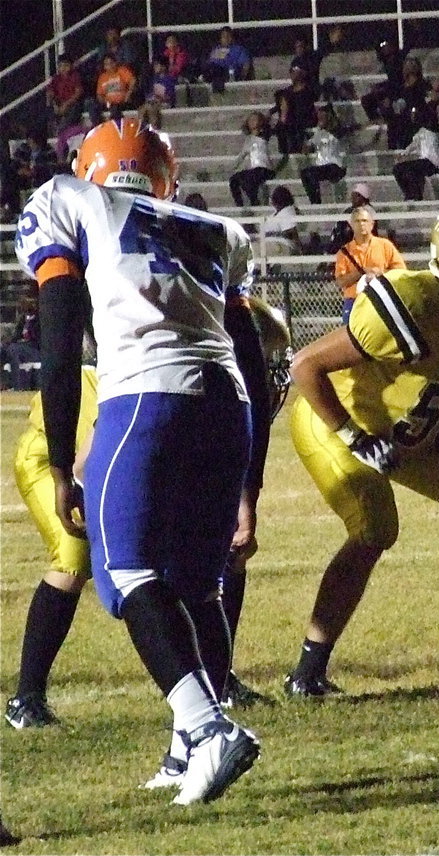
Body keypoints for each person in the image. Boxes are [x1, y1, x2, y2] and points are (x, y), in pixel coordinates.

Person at [14, 118, 268, 804]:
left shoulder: (70, 200)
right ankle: (192, 750)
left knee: (125, 570)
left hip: (146, 399)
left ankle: (205, 727)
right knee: (200, 585)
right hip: (228, 406)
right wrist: (253, 483)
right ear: (165, 174)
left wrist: (63, 459)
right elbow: (256, 363)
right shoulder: (217, 229)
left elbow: (62, 344)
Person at [283, 199, 439, 695]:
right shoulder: (414, 307)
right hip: (342, 419)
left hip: (415, 433)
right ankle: (308, 673)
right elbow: (306, 366)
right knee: (375, 528)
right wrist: (351, 435)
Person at [5, 301, 290, 730]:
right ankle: (25, 698)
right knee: (76, 555)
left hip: (130, 447)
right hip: (60, 456)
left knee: (213, 545)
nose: (268, 371)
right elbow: (87, 465)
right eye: (264, 357)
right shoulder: (159, 376)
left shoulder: (205, 385)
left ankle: (217, 681)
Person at [332, 205, 407, 324]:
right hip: (354, 301)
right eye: (357, 221)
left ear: (372, 224)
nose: (361, 224)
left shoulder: (385, 245)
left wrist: (379, 274)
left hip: (381, 299)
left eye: (364, 221)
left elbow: (401, 272)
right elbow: (340, 281)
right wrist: (362, 272)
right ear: (351, 225)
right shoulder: (344, 252)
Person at [298, 105, 346, 205]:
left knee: (311, 173)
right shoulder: (318, 133)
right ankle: (314, 201)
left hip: (335, 166)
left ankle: (316, 202)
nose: (320, 119)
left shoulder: (337, 131)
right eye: (319, 117)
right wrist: (306, 140)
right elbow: (306, 150)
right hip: (322, 167)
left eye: (323, 117)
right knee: (304, 173)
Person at [391, 108, 439, 201]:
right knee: (397, 169)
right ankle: (408, 194)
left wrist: (405, 154)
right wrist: (403, 154)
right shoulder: (420, 132)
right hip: (423, 162)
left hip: (432, 163)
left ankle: (416, 195)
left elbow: (417, 143)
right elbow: (413, 144)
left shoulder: (430, 132)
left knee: (410, 168)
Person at [271, 65, 318, 162]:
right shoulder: (287, 92)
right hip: (291, 125)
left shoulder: (308, 90)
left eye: (296, 72)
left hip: (304, 123)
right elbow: (282, 108)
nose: (293, 75)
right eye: (292, 72)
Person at [228, 111, 275, 208]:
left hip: (264, 168)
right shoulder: (248, 140)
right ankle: (240, 205)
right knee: (234, 180)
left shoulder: (265, 135)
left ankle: (255, 202)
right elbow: (242, 155)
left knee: (250, 178)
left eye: (255, 119)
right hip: (254, 169)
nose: (252, 121)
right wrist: (232, 167)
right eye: (250, 120)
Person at [1, 295, 41, 391]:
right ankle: (3, 382)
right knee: (3, 349)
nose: (24, 305)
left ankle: (18, 385)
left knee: (14, 350)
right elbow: (16, 336)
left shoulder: (40, 319)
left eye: (28, 302)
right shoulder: (23, 318)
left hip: (34, 348)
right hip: (21, 346)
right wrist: (6, 343)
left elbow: (38, 338)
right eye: (22, 303)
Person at [202, 26, 252, 94]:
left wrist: (241, 79)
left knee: (218, 71)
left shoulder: (238, 50)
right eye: (224, 36)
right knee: (209, 67)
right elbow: (211, 63)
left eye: (228, 36)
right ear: (220, 38)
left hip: (230, 74)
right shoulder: (217, 50)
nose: (226, 39)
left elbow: (246, 65)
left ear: (232, 38)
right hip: (215, 73)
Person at [260, 185, 301, 257]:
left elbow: (291, 233)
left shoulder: (288, 211)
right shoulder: (276, 213)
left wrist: (299, 250)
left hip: (281, 246)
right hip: (269, 244)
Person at [93, 53, 136, 120]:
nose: (110, 66)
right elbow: (99, 94)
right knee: (93, 106)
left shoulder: (122, 71)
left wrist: (129, 92)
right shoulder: (102, 77)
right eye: (107, 64)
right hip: (108, 103)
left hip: (121, 102)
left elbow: (133, 80)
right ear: (104, 66)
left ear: (115, 63)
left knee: (115, 108)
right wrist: (105, 102)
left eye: (111, 63)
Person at [46, 57, 85, 132]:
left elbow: (78, 93)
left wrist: (66, 104)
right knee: (48, 109)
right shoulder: (56, 78)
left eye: (65, 66)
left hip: (72, 103)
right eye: (60, 66)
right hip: (59, 103)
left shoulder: (75, 76)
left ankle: (63, 129)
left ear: (71, 66)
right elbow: (50, 92)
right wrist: (54, 104)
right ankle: (52, 129)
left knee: (75, 108)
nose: (63, 68)